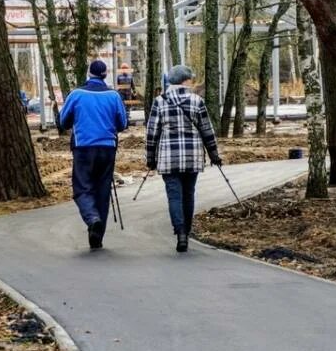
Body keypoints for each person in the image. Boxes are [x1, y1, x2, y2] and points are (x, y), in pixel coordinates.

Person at [145, 64, 221, 253]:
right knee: (188, 194)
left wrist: (150, 157)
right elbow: (206, 129)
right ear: (184, 81)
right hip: (192, 157)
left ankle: (179, 232)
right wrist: (214, 154)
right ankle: (186, 232)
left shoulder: (160, 101)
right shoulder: (197, 101)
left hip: (168, 157)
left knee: (174, 196)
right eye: (190, 78)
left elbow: (152, 132)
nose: (192, 81)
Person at [58, 59, 129, 250]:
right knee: (103, 191)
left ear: (88, 74)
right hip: (107, 148)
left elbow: (63, 121)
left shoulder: (77, 94)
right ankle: (97, 236)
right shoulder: (114, 96)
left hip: (83, 148)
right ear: (105, 75)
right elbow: (122, 123)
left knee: (82, 188)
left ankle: (92, 218)